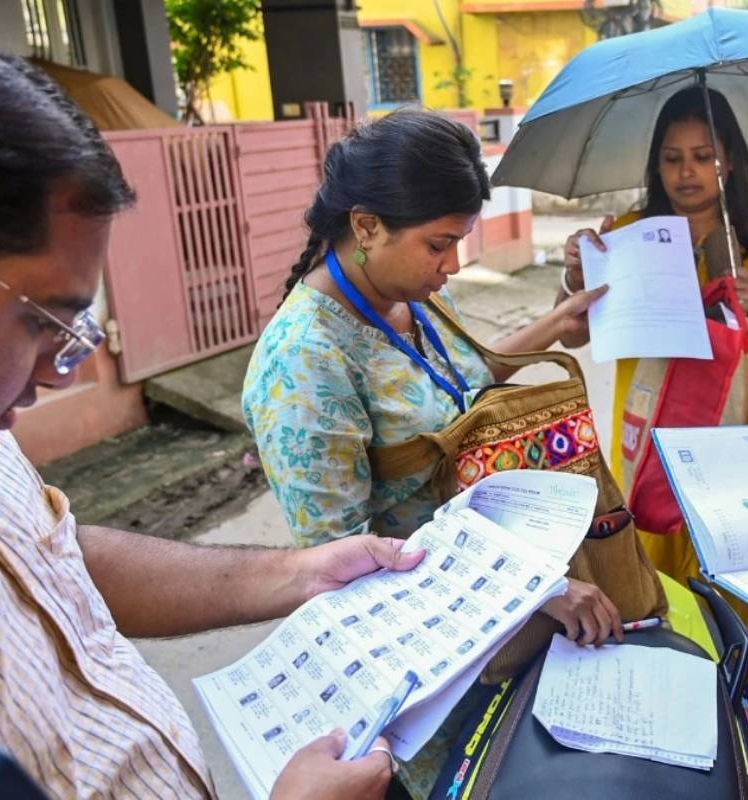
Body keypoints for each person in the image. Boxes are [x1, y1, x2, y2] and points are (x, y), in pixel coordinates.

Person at [0, 37, 418, 800]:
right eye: (45, 321)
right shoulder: (306, 350)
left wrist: (300, 572)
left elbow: (56, 554)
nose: (56, 368)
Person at [241, 110, 626, 796]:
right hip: (427, 675)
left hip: (496, 626)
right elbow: (344, 570)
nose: (451, 267)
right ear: (365, 226)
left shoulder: (400, 297)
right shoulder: (303, 364)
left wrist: (548, 326)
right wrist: (531, 593)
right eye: (439, 245)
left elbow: (446, 394)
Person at [559, 86, 748, 734]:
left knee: (731, 595)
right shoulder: (625, 237)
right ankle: (659, 741)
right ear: (656, 165)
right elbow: (576, 336)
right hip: (645, 466)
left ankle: (735, 743)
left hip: (737, 470)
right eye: (673, 158)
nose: (687, 173)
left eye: (703, 156)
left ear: (729, 161)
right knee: (650, 598)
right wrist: (574, 276)